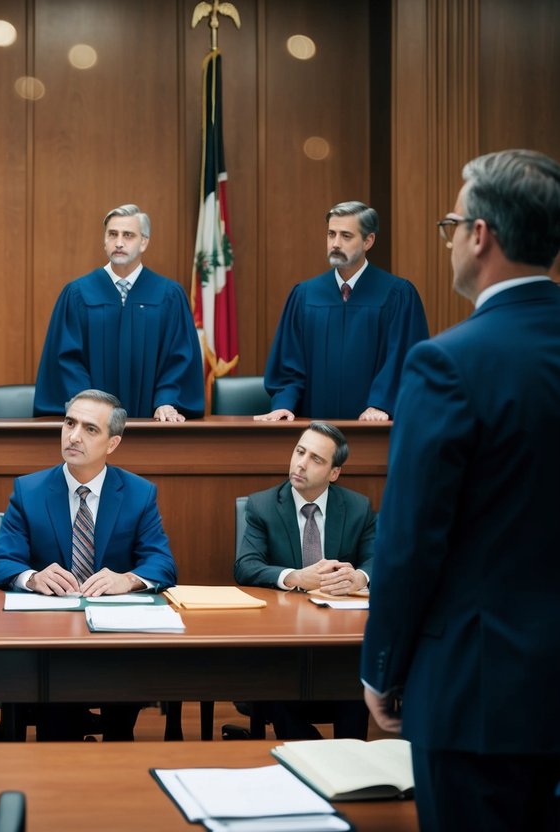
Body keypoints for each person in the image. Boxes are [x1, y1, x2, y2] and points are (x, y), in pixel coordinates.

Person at [362, 149, 560, 831]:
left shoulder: (447, 361)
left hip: (479, 696)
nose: (446, 237)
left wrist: (380, 667)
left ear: (480, 235)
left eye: (451, 221)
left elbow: (410, 538)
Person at [0, 389, 177, 740]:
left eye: (90, 429)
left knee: (122, 710)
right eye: (70, 423)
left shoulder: (138, 493)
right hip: (48, 643)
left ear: (112, 443)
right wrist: (31, 578)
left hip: (115, 642)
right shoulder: (29, 490)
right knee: (56, 721)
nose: (73, 436)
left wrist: (129, 580)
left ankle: (120, 751)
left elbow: (162, 563)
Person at [234, 421, 374, 740]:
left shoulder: (357, 508)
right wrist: (295, 577)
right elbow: (245, 566)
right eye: (300, 451)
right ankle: (310, 755)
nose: (301, 463)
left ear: (334, 473)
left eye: (315, 459)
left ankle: (350, 764)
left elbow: (378, 559)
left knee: (356, 679)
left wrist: (358, 578)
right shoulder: (263, 505)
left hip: (338, 639)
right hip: (282, 638)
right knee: (280, 685)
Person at [257, 201, 429, 421]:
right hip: (312, 433)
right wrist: (284, 404)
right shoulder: (304, 295)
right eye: (331, 234)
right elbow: (288, 361)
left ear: (368, 241)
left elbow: (403, 360)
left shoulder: (397, 295)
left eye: (346, 236)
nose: (335, 243)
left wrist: (380, 404)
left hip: (374, 429)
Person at [33, 205, 204, 421]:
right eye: (112, 234)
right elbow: (65, 358)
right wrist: (87, 405)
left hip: (152, 424)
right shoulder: (78, 294)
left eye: (129, 235)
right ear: (104, 241)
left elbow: (180, 357)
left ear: (144, 242)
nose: (119, 242)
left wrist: (167, 400)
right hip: (91, 426)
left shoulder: (168, 296)